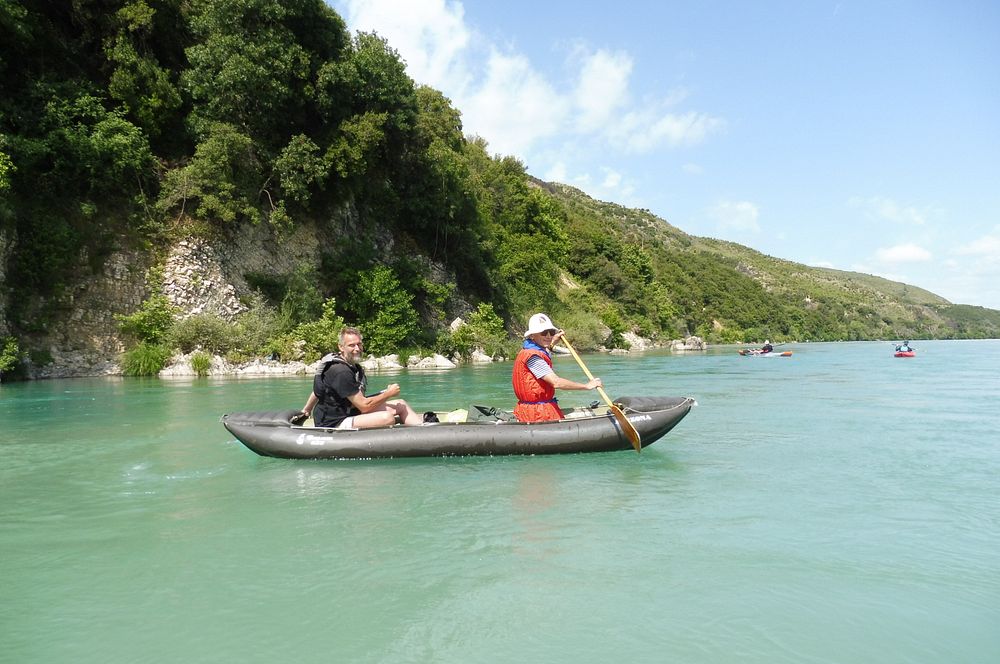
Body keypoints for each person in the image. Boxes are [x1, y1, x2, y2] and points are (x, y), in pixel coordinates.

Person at [300, 327, 422, 428]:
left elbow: (319, 390)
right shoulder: (340, 371)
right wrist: (388, 394)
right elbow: (364, 406)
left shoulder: (351, 366)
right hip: (334, 422)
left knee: (401, 404)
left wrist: (307, 409)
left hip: (350, 412)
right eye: (351, 345)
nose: (357, 349)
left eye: (359, 344)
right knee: (387, 418)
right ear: (341, 347)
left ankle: (424, 432)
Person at [512, 313, 603, 422]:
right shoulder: (533, 358)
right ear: (532, 335)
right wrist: (587, 386)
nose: (548, 336)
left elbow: (544, 354)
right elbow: (556, 382)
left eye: (551, 332)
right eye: (544, 333)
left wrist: (552, 342)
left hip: (530, 410)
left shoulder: (529, 351)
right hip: (539, 414)